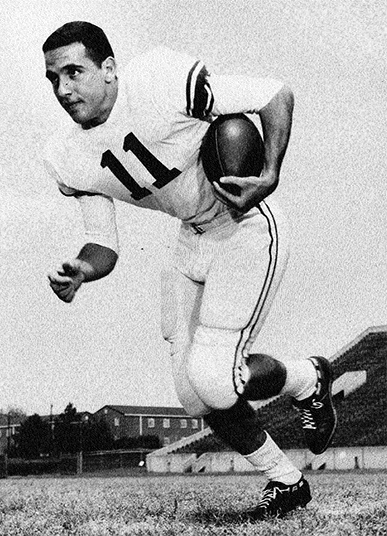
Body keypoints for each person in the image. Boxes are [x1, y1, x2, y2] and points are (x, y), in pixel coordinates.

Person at [43, 21, 337, 520]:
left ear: (110, 69)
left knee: (217, 380)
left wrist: (269, 175)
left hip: (242, 223)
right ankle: (286, 481)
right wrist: (82, 270)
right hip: (190, 236)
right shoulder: (66, 154)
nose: (63, 89)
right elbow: (104, 244)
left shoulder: (160, 78)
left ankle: (309, 379)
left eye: (74, 71)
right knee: (193, 395)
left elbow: (273, 95)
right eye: (53, 78)